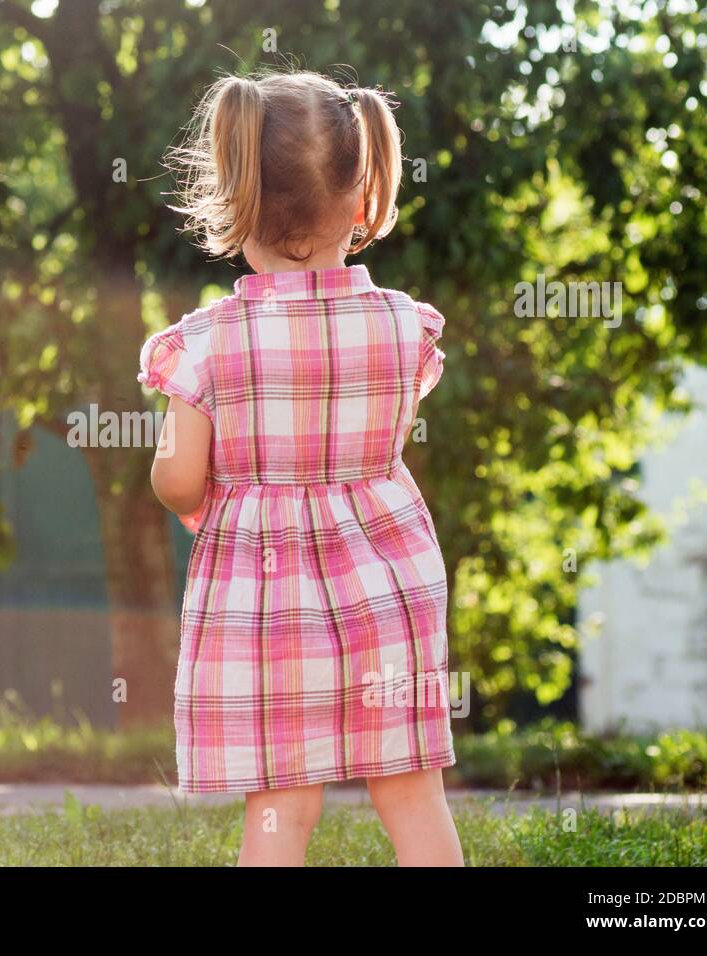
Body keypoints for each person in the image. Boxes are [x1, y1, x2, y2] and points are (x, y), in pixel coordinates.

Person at [139, 70, 464, 867]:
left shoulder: (209, 343)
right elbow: (384, 434)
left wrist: (198, 490)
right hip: (390, 591)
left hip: (267, 608)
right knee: (412, 788)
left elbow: (180, 480)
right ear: (363, 200)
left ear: (238, 199)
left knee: (283, 803)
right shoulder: (401, 325)